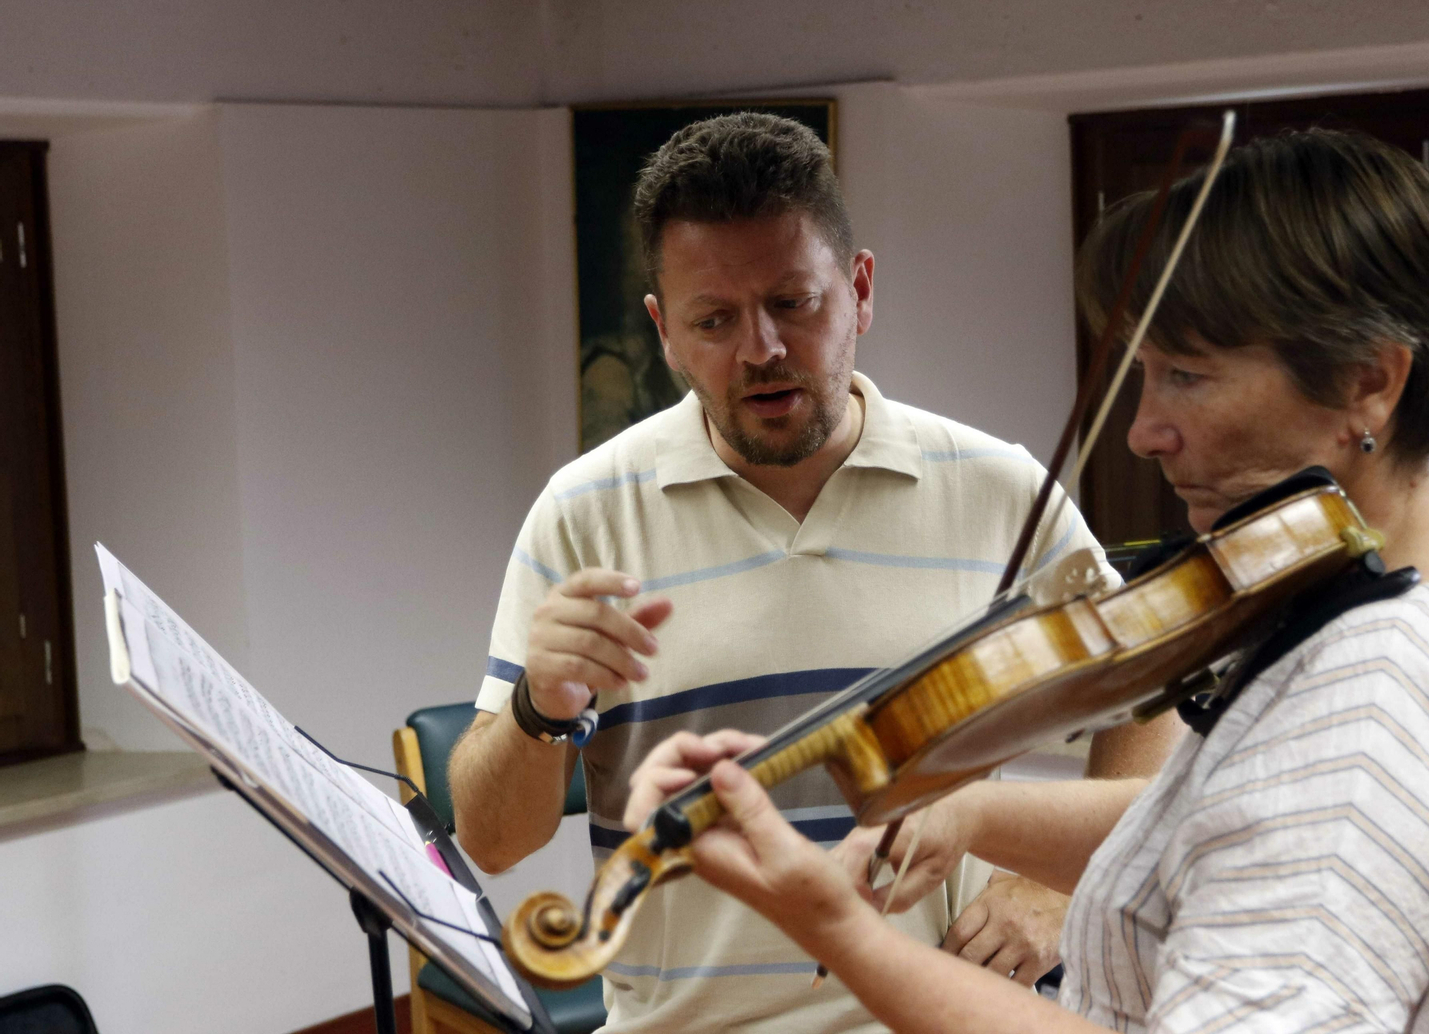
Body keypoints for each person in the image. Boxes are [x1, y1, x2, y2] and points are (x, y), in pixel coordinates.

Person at [625, 128, 1429, 1031]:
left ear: (1371, 381)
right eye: (1143, 374)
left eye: (1188, 378)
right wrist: (979, 811)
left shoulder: (1375, 708)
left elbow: (1321, 802)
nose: (1142, 429)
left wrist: (834, 929)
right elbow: (1247, 827)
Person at [448, 112, 1180, 1034]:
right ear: (662, 332)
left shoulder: (997, 490)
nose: (761, 349)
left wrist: (1058, 888)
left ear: (861, 289)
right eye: (713, 320)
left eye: (795, 303)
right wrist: (537, 709)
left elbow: (1146, 706)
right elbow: (492, 841)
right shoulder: (584, 510)